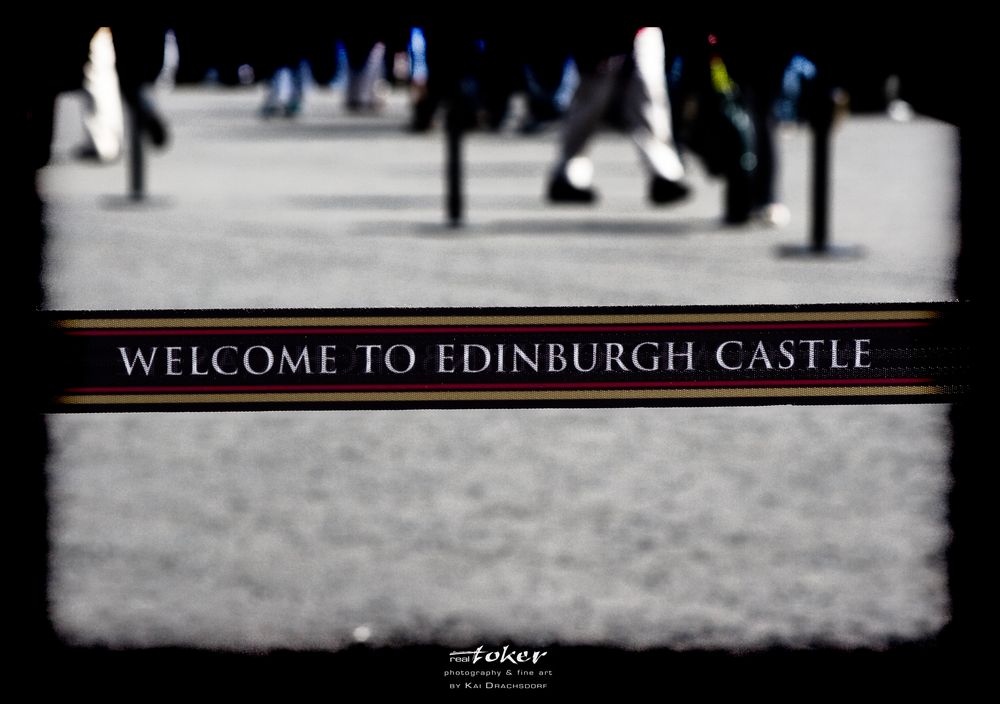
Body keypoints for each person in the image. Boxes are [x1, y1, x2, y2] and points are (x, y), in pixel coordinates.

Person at [547, 26, 689, 206]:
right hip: (602, 37)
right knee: (590, 103)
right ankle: (568, 172)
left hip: (644, 33)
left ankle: (664, 172)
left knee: (649, 97)